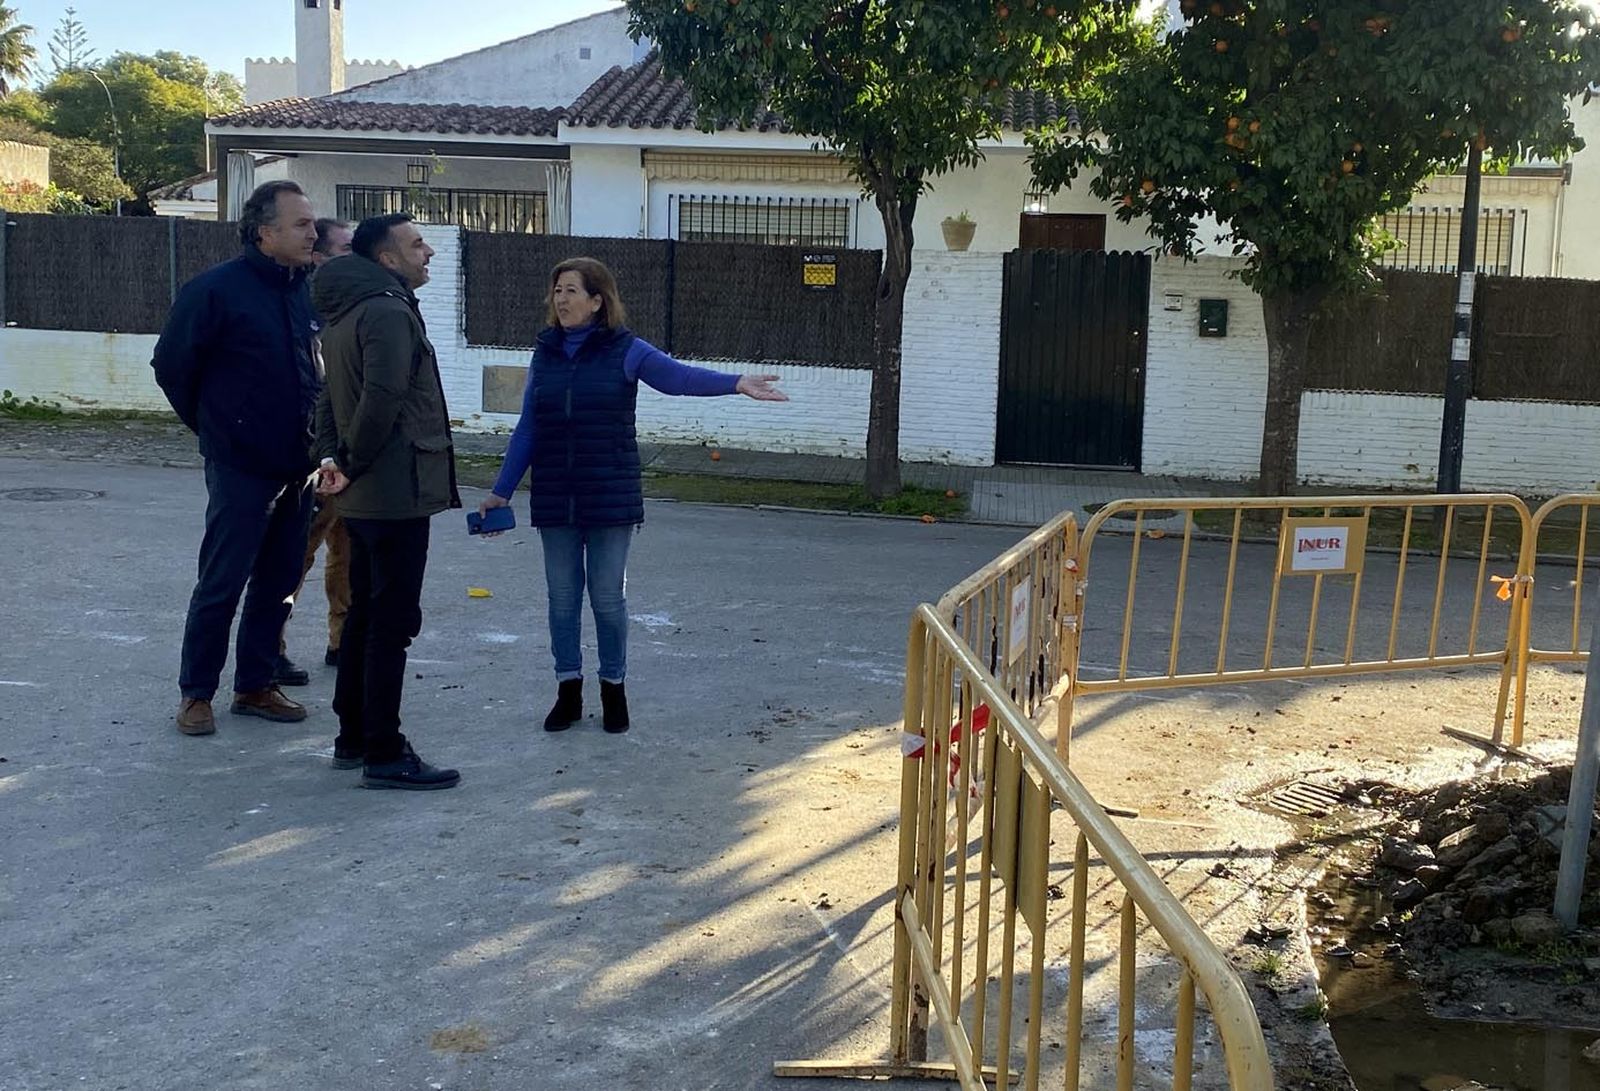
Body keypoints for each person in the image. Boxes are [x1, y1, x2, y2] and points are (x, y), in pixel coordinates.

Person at [478, 257, 788, 735]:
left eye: (572, 290)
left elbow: (678, 378)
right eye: (557, 290)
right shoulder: (545, 353)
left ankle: (613, 689)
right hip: (556, 494)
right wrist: (501, 491)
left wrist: (735, 384)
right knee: (561, 600)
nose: (561, 299)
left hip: (610, 493)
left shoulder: (627, 349)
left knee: (606, 599)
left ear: (598, 300)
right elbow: (529, 427)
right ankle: (568, 691)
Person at [151, 180, 322, 737]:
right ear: (265, 232)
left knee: (280, 584)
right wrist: (216, 430)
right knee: (222, 582)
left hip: (299, 466)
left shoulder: (302, 289)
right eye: (300, 224)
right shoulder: (215, 291)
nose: (312, 232)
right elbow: (172, 366)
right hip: (240, 466)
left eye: (312, 223)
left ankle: (255, 686)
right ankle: (196, 694)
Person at [311, 213, 461, 791]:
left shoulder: (343, 315)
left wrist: (333, 459)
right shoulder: (388, 312)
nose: (429, 252)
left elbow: (327, 399)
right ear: (386, 259)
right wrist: (347, 462)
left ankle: (353, 736)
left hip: (365, 493)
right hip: (393, 491)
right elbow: (384, 397)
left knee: (365, 618)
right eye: (416, 243)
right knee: (390, 624)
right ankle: (383, 749)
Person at [276, 218, 355, 685]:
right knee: (295, 554)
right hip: (315, 452)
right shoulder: (306, 305)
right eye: (346, 248)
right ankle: (272, 644)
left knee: (347, 553)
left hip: (350, 452)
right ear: (320, 257)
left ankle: (341, 639)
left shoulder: (353, 305)